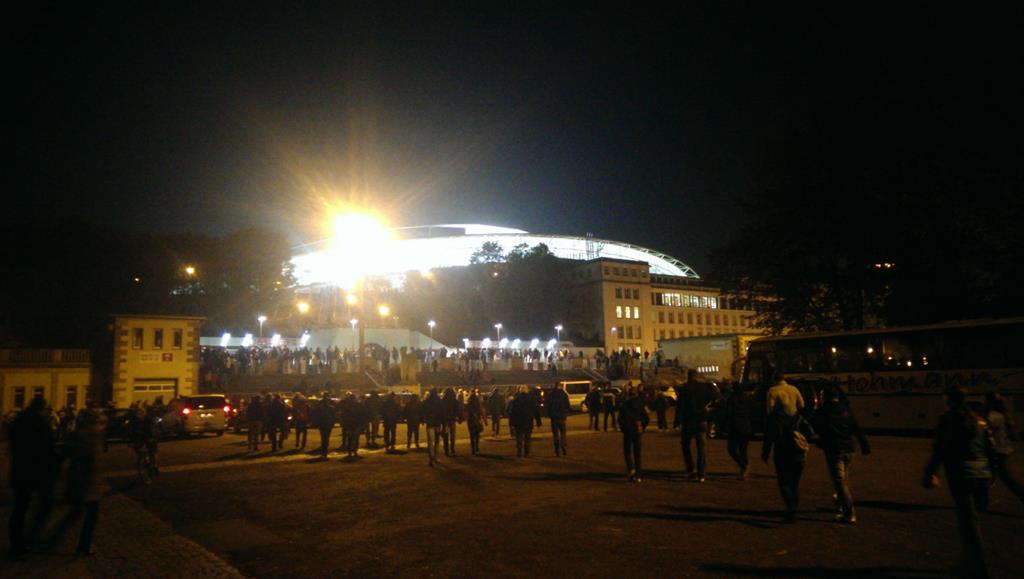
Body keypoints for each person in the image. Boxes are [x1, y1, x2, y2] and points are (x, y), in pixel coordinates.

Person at [923, 386, 994, 578]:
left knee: (967, 519)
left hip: (960, 472)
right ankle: (974, 561)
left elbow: (941, 448)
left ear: (949, 400)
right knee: (971, 517)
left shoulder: (949, 419)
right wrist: (991, 473)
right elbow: (989, 447)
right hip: (980, 472)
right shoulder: (979, 420)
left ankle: (976, 564)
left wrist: (930, 472)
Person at [42, 405, 107, 556]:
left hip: (85, 482)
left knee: (78, 513)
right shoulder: (88, 437)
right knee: (87, 516)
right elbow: (84, 461)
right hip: (86, 483)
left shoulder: (85, 435)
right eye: (98, 421)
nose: (101, 425)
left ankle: (57, 539)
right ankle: (81, 546)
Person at [7, 396, 57, 559]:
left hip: (21, 470)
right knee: (47, 503)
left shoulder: (19, 420)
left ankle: (17, 543)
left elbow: (13, 444)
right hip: (38, 472)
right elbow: (48, 447)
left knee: (20, 508)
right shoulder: (41, 424)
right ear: (42, 408)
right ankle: (33, 537)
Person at [812, 386, 871, 524]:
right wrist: (864, 445)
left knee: (839, 481)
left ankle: (848, 512)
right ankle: (840, 500)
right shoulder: (846, 409)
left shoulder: (823, 411)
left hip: (834, 449)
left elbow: (815, 426)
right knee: (844, 476)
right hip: (850, 448)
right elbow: (856, 427)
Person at [762, 404, 814, 523]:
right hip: (798, 453)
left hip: (782, 452)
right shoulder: (798, 417)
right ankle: (794, 509)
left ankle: (791, 509)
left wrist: (765, 453)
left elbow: (769, 437)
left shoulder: (774, 419)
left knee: (784, 482)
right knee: (794, 483)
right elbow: (810, 431)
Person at [679, 370, 721, 482]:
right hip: (701, 419)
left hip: (688, 421)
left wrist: (678, 422)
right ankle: (701, 474)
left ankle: (690, 469)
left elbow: (680, 407)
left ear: (688, 377)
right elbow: (717, 396)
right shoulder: (704, 387)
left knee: (685, 446)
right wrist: (708, 407)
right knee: (701, 448)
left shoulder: (684, 389)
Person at [984, 392, 1024, 504]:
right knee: (995, 475)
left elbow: (986, 431)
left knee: (1004, 477)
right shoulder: (1003, 415)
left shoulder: (992, 416)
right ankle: (982, 499)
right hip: (1003, 449)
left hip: (996, 450)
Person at [619, 386, 650, 482]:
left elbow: (620, 419)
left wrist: (624, 429)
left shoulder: (625, 405)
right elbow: (646, 418)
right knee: (637, 453)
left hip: (628, 430)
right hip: (637, 430)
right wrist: (642, 427)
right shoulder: (641, 404)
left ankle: (631, 469)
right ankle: (639, 475)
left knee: (627, 451)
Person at [725, 382, 755, 480]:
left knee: (731, 449)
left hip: (735, 427)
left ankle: (743, 466)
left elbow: (729, 413)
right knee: (743, 450)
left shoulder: (732, 399)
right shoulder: (747, 399)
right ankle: (744, 470)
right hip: (746, 426)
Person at [127, 405, 160, 483]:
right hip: (139, 440)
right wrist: (131, 441)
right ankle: (143, 467)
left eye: (141, 413)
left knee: (152, 453)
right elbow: (130, 431)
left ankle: (154, 467)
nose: (139, 415)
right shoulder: (133, 421)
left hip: (149, 438)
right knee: (141, 455)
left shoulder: (149, 420)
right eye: (138, 413)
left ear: (144, 413)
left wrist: (152, 438)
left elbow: (152, 430)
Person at [507, 387, 541, 458]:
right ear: (527, 391)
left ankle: (519, 452)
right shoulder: (531, 399)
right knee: (527, 438)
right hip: (528, 421)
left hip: (518, 422)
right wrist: (538, 421)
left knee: (519, 437)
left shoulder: (516, 399)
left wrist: (511, 423)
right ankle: (527, 452)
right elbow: (536, 410)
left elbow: (512, 412)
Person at [546, 382, 571, 456]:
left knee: (555, 434)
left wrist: (550, 414)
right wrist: (565, 413)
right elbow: (567, 405)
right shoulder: (564, 394)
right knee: (563, 433)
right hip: (562, 417)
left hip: (554, 417)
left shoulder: (551, 394)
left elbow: (548, 406)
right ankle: (563, 447)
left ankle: (557, 451)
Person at [423, 389, 445, 466]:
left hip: (430, 423)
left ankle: (431, 458)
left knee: (430, 442)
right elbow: (442, 413)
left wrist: (425, 419)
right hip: (437, 423)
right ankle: (436, 457)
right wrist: (443, 424)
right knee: (437, 441)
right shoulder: (439, 402)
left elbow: (424, 412)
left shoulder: (426, 402)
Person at [310, 394, 336, 460]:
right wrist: (332, 423)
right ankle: (325, 451)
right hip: (328, 424)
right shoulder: (331, 408)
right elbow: (333, 417)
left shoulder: (319, 408)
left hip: (322, 425)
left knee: (323, 437)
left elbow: (316, 416)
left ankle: (324, 451)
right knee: (326, 438)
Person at [465, 390, 487, 455]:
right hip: (477, 420)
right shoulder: (477, 402)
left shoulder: (469, 402)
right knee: (477, 435)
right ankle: (477, 447)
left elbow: (466, 411)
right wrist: (484, 420)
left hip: (471, 420)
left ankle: (473, 449)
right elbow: (481, 410)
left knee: (471, 435)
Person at [442, 388, 460, 456]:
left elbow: (442, 410)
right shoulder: (454, 400)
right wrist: (456, 416)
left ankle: (446, 449)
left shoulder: (443, 400)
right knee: (452, 435)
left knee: (446, 435)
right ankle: (452, 449)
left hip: (446, 420)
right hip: (452, 419)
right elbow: (457, 409)